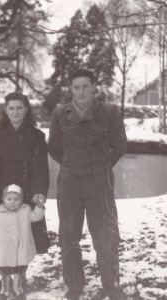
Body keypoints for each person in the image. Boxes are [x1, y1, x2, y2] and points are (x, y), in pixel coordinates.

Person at [48, 69, 127, 300]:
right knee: (68, 234)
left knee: (105, 234)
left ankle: (110, 285)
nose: (81, 91)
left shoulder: (110, 112)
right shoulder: (60, 112)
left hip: (99, 181)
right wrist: (72, 165)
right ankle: (74, 285)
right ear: (70, 89)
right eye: (76, 87)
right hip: (70, 181)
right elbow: (53, 146)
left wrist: (101, 166)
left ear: (94, 87)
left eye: (85, 86)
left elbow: (119, 145)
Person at [0, 92, 49, 295]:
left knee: (23, 237)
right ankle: (4, 279)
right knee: (2, 238)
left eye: (20, 107)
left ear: (26, 109)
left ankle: (20, 276)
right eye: (11, 108)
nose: (16, 112)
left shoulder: (36, 136)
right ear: (6, 110)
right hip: (2, 195)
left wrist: (39, 192)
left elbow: (41, 168)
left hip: (26, 194)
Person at [0, 183, 46, 300]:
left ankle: (18, 290)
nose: (12, 202)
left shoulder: (26, 210)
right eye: (9, 199)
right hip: (3, 250)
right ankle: (5, 291)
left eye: (16, 199)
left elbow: (36, 216)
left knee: (19, 271)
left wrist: (39, 206)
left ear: (21, 200)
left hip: (21, 249)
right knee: (4, 272)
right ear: (3, 199)